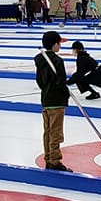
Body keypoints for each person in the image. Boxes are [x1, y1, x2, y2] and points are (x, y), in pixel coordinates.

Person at [35, 31, 70, 172]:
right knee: (56, 132)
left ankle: (48, 158)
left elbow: (39, 81)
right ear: (55, 45)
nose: (60, 46)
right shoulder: (57, 61)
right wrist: (65, 93)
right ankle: (55, 161)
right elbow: (60, 82)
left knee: (48, 131)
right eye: (59, 44)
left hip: (46, 99)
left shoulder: (40, 60)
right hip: (57, 100)